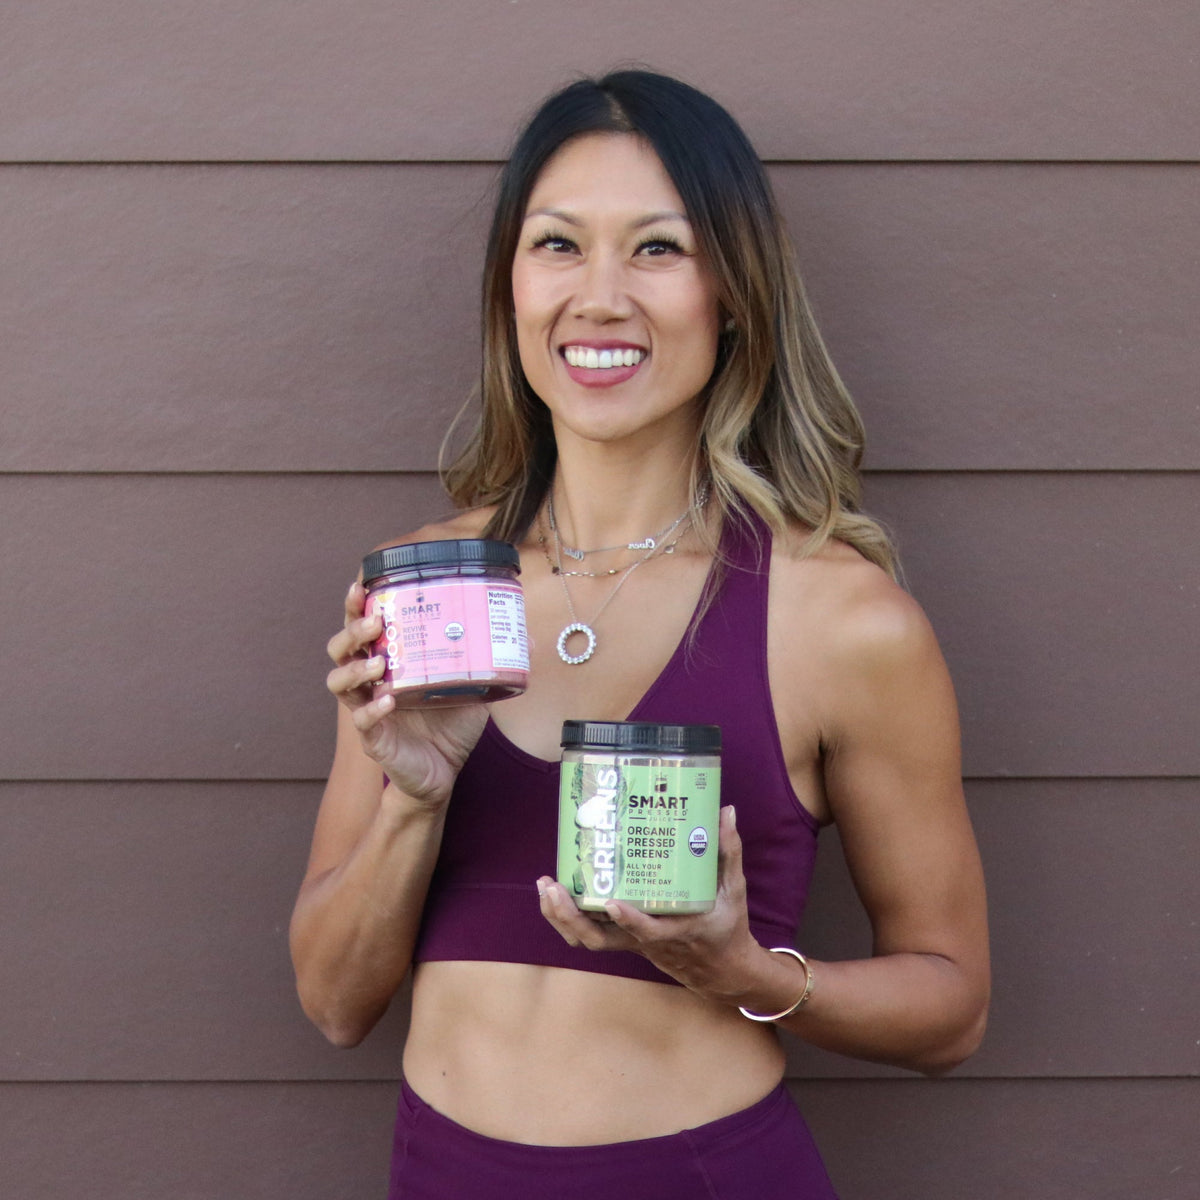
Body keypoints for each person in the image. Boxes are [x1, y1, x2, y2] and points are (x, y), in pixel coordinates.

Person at [289, 69, 990, 1198]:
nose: (600, 296)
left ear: (734, 294)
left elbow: (951, 1008)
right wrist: (413, 802)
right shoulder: (427, 587)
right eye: (558, 245)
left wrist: (741, 968)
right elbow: (333, 1003)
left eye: (658, 249)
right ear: (509, 287)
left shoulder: (839, 617)